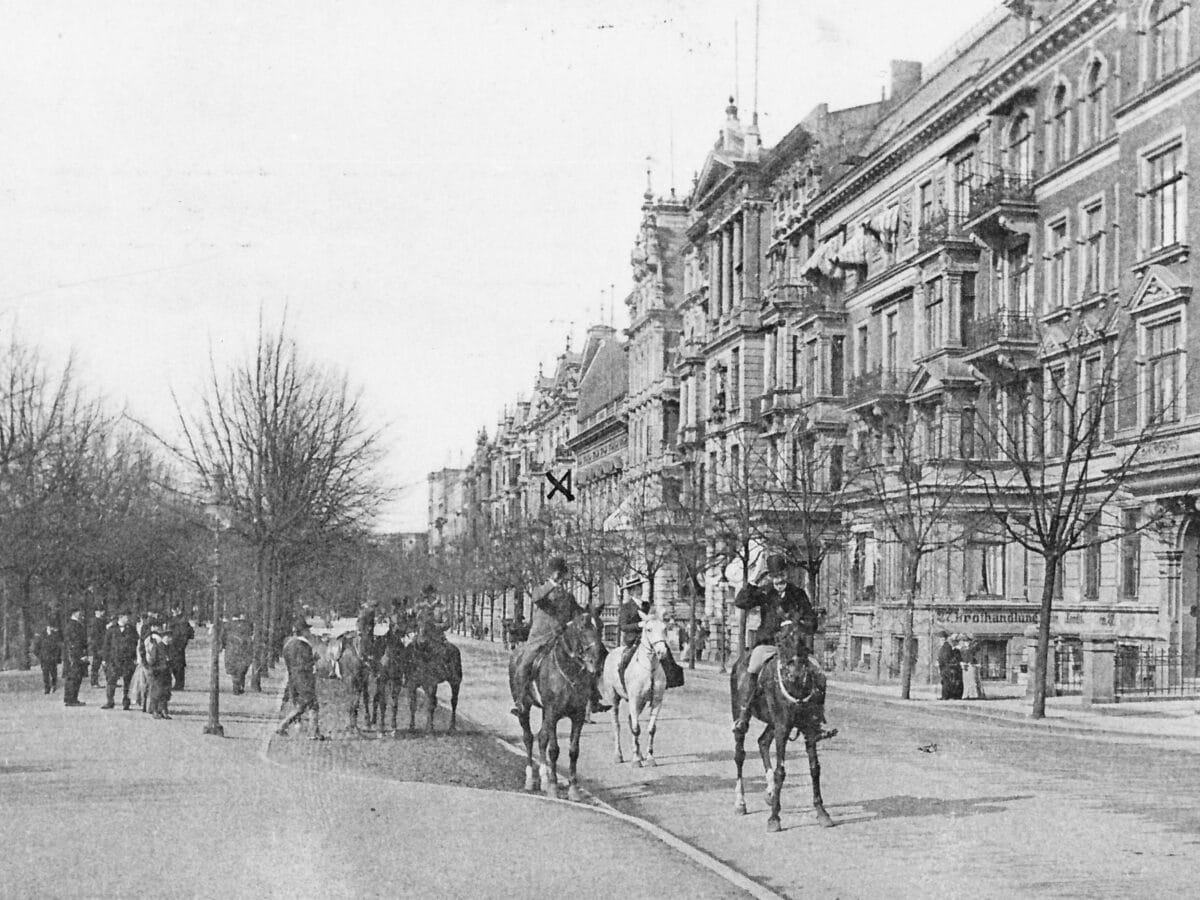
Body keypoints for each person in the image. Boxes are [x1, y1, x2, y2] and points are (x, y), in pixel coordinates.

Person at [731, 555, 818, 734]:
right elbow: (740, 602)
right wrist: (753, 581)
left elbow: (812, 622)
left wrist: (797, 625)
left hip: (794, 646)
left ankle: (815, 718)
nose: (779, 578)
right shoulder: (764, 592)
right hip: (769, 644)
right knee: (753, 665)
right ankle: (744, 713)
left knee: (817, 670)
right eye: (775, 575)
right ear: (770, 576)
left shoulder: (798, 593)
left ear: (787, 573)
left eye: (782, 574)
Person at [509, 556, 595, 717]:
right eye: (560, 576)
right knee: (523, 665)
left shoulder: (568, 597)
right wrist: (552, 583)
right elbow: (537, 598)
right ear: (553, 575)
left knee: (587, 663)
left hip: (563, 640)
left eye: (563, 576)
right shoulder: (541, 591)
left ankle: (593, 698)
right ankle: (520, 700)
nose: (562, 580)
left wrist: (590, 614)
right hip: (540, 639)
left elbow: (578, 613)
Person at [277, 617, 324, 739]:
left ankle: (284, 726)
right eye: (307, 630)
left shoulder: (288, 645)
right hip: (304, 679)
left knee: (302, 705)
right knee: (312, 705)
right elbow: (305, 665)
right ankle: (312, 732)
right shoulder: (304, 646)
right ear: (302, 631)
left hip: (292, 678)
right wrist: (315, 659)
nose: (309, 632)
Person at [101, 611, 140, 710]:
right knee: (111, 681)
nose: (128, 619)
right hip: (114, 660)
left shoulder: (131, 629)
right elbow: (106, 645)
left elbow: (135, 644)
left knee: (128, 682)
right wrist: (105, 659)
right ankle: (110, 702)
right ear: (120, 617)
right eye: (126, 617)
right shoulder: (111, 629)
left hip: (128, 659)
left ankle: (126, 702)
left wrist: (135, 658)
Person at [615, 592, 651, 692]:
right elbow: (623, 626)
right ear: (631, 592)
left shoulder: (647, 605)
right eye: (636, 589)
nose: (639, 591)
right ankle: (623, 684)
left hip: (647, 638)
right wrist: (639, 625)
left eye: (640, 588)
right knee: (625, 661)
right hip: (633, 639)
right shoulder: (626, 607)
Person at [62, 609, 89, 707]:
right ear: (74, 613)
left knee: (75, 677)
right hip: (74, 656)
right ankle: (71, 699)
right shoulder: (73, 625)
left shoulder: (74, 624)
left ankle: (72, 698)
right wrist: (80, 655)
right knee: (74, 677)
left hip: (74, 655)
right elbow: (74, 642)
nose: (80, 613)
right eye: (78, 612)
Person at [223, 611, 254, 695]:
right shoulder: (247, 625)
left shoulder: (227, 625)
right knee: (242, 669)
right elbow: (250, 637)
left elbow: (223, 637)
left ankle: (236, 686)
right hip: (243, 650)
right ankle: (240, 686)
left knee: (234, 669)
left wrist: (222, 647)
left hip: (231, 650)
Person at [147, 626, 174, 719]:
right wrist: (155, 671)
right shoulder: (157, 647)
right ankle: (155, 710)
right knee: (157, 693)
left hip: (166, 673)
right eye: (167, 637)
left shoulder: (170, 647)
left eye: (170, 637)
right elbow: (152, 661)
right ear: (163, 638)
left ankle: (164, 710)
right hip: (158, 673)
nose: (169, 638)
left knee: (165, 693)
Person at [167, 608, 195, 690]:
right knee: (178, 666)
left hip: (176, 646)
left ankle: (179, 684)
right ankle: (179, 684)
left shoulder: (179, 621)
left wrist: (180, 645)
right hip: (177, 646)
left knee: (177, 666)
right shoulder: (182, 620)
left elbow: (185, 635)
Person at [31, 625, 62, 694]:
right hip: (44, 658)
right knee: (45, 674)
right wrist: (40, 656)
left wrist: (57, 656)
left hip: (52, 658)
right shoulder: (41, 636)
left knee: (54, 673)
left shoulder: (55, 635)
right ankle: (47, 688)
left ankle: (54, 686)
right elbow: (35, 648)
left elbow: (58, 646)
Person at [937, 630, 964, 700]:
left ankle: (946, 696)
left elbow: (945, 658)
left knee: (946, 682)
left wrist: (941, 663)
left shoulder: (946, 647)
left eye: (941, 638)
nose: (939, 640)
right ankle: (945, 695)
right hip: (944, 667)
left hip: (946, 667)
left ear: (943, 639)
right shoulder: (945, 647)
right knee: (945, 682)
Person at [87, 608, 107, 688]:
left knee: (105, 663)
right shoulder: (95, 621)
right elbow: (96, 635)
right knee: (96, 664)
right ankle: (94, 682)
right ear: (96, 612)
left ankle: (111, 681)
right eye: (101, 611)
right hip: (98, 646)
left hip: (100, 645)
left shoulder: (100, 620)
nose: (103, 612)